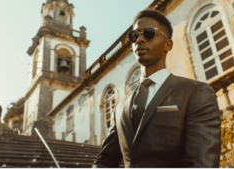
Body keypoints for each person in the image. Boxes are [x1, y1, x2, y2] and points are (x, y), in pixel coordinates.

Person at [92, 9, 221, 168]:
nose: (139, 40)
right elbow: (104, 160)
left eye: (148, 33)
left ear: (168, 44)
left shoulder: (196, 92)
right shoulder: (119, 107)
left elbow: (202, 164)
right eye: (134, 36)